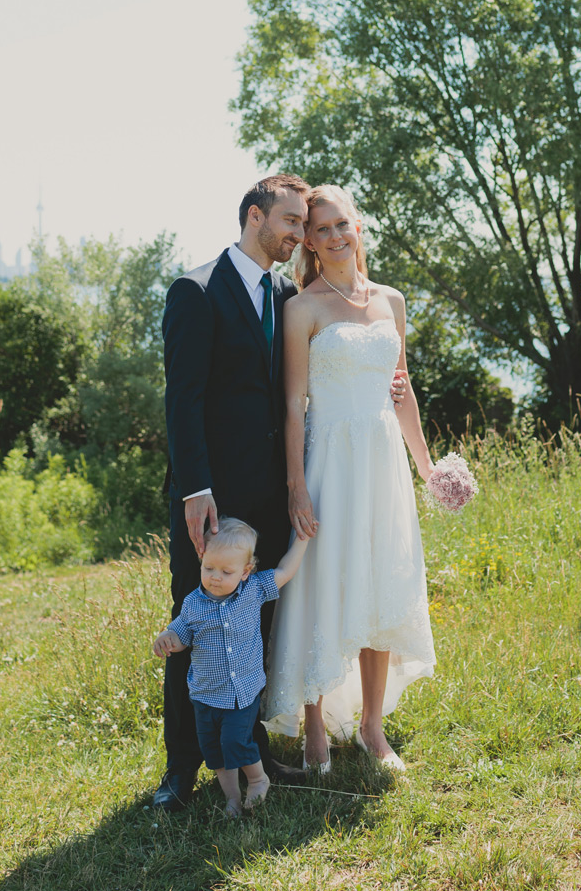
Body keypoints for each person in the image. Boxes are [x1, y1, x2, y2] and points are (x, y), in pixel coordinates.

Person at [263, 185, 436, 773]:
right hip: (328, 460)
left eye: (344, 224)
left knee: (379, 580)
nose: (335, 236)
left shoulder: (392, 300)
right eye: (322, 228)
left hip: (382, 461)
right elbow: (292, 405)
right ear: (308, 241)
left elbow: (402, 389)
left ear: (358, 227)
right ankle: (313, 728)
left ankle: (371, 726)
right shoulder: (302, 308)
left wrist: (428, 469)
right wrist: (295, 486)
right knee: (323, 583)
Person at [154, 173, 312, 811]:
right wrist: (196, 489)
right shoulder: (195, 291)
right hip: (212, 501)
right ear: (255, 216)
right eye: (292, 222)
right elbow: (182, 401)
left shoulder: (283, 292)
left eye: (304, 224)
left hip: (270, 494)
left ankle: (252, 752)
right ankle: (180, 766)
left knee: (260, 625)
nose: (299, 235)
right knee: (194, 621)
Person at [153, 517, 310, 817]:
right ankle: (232, 799)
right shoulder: (193, 604)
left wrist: (301, 540)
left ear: (245, 572)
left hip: (241, 693)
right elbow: (181, 635)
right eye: (208, 568)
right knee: (216, 754)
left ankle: (258, 779)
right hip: (204, 695)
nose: (215, 577)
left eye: (226, 572)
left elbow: (285, 571)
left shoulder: (254, 590)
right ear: (201, 560)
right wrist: (167, 639)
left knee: (235, 740)